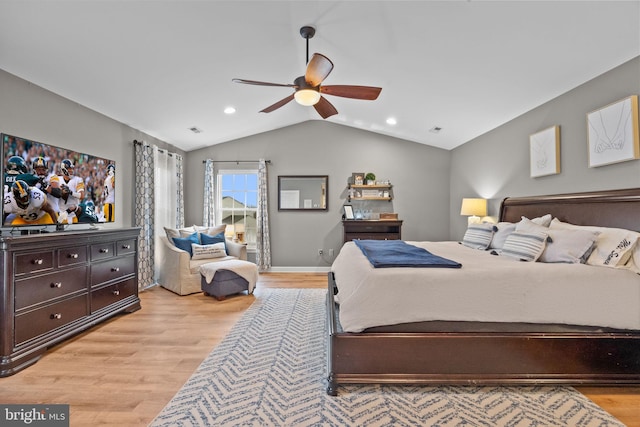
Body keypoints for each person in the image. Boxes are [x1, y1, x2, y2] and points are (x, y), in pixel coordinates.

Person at [58, 159, 85, 223]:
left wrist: (71, 192)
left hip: (73, 215)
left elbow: (81, 196)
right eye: (69, 168)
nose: (71, 170)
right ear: (64, 169)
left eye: (72, 168)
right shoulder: (57, 180)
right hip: (61, 214)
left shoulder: (78, 180)